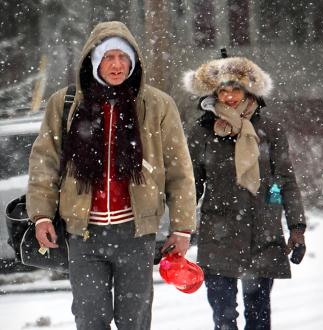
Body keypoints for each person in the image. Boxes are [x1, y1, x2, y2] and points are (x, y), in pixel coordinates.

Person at [26, 21, 196, 330]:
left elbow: (179, 170)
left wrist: (182, 228)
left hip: (136, 233)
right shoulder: (64, 104)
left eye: (122, 57)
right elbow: (44, 163)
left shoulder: (157, 105)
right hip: (84, 234)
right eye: (108, 57)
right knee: (90, 319)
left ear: (133, 61)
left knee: (135, 322)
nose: (116, 65)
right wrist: (41, 215)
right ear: (93, 61)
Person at [183, 56, 306, 330]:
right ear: (213, 93)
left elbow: (286, 179)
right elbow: (190, 185)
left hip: (262, 232)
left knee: (259, 316)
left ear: (249, 91)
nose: (228, 96)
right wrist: (180, 227)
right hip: (218, 232)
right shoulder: (201, 132)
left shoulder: (270, 130)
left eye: (235, 89)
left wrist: (297, 227)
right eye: (222, 91)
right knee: (224, 318)